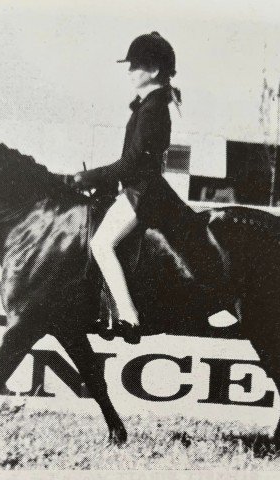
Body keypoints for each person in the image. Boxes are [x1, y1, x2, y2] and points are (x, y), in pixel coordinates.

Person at [73, 32, 188, 340]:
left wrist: (91, 176)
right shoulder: (147, 105)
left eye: (136, 65)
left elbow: (134, 162)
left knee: (101, 243)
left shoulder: (152, 109)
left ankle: (129, 317)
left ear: (153, 71)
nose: (129, 71)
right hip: (137, 187)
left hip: (142, 192)